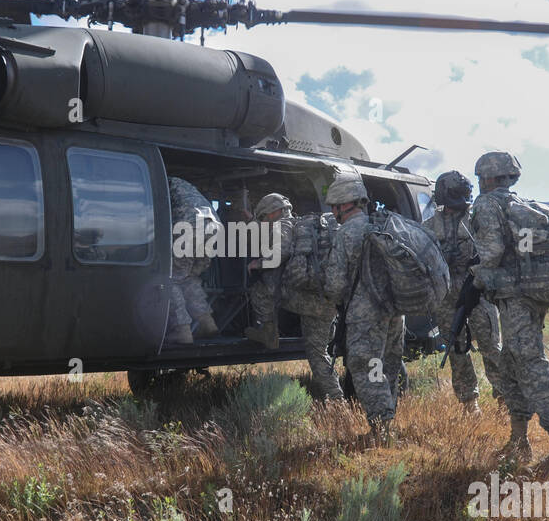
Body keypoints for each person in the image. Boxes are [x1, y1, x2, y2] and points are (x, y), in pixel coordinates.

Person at [469, 151, 549, 473]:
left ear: (486, 177)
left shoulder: (488, 204)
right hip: (526, 296)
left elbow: (491, 252)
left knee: (530, 366)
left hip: (514, 299)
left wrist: (472, 268)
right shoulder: (522, 203)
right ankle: (519, 441)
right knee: (510, 363)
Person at [323, 173, 405, 434]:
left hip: (365, 316)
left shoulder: (346, 233)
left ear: (340, 206)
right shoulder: (381, 226)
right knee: (386, 366)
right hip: (394, 312)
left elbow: (335, 284)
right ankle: (388, 418)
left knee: (368, 366)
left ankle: (382, 430)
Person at [244, 192, 343, 401]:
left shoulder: (284, 226)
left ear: (275, 212)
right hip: (327, 297)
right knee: (321, 348)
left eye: (265, 217)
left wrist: (258, 263)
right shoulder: (307, 227)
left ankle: (336, 399)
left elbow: (280, 253)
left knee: (260, 288)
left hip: (306, 300)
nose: (265, 222)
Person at [425, 170, 510, 414]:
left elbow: (494, 251)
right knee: (456, 349)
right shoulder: (430, 225)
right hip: (446, 297)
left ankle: (506, 399)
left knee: (491, 346)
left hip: (478, 292)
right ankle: (469, 403)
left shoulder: (477, 220)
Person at [167, 176, 220, 346]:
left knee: (171, 279)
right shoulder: (186, 186)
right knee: (187, 277)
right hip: (213, 227)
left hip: (190, 226)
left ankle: (181, 330)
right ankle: (206, 322)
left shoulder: (162, 181)